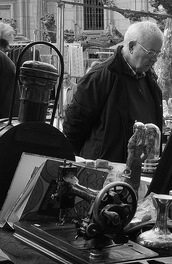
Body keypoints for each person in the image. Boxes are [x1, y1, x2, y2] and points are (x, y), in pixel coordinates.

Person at [62, 20, 164, 163]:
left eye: (158, 53)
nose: (154, 59)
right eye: (151, 52)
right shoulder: (100, 77)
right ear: (132, 46)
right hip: (107, 171)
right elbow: (72, 128)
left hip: (142, 170)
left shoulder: (150, 79)